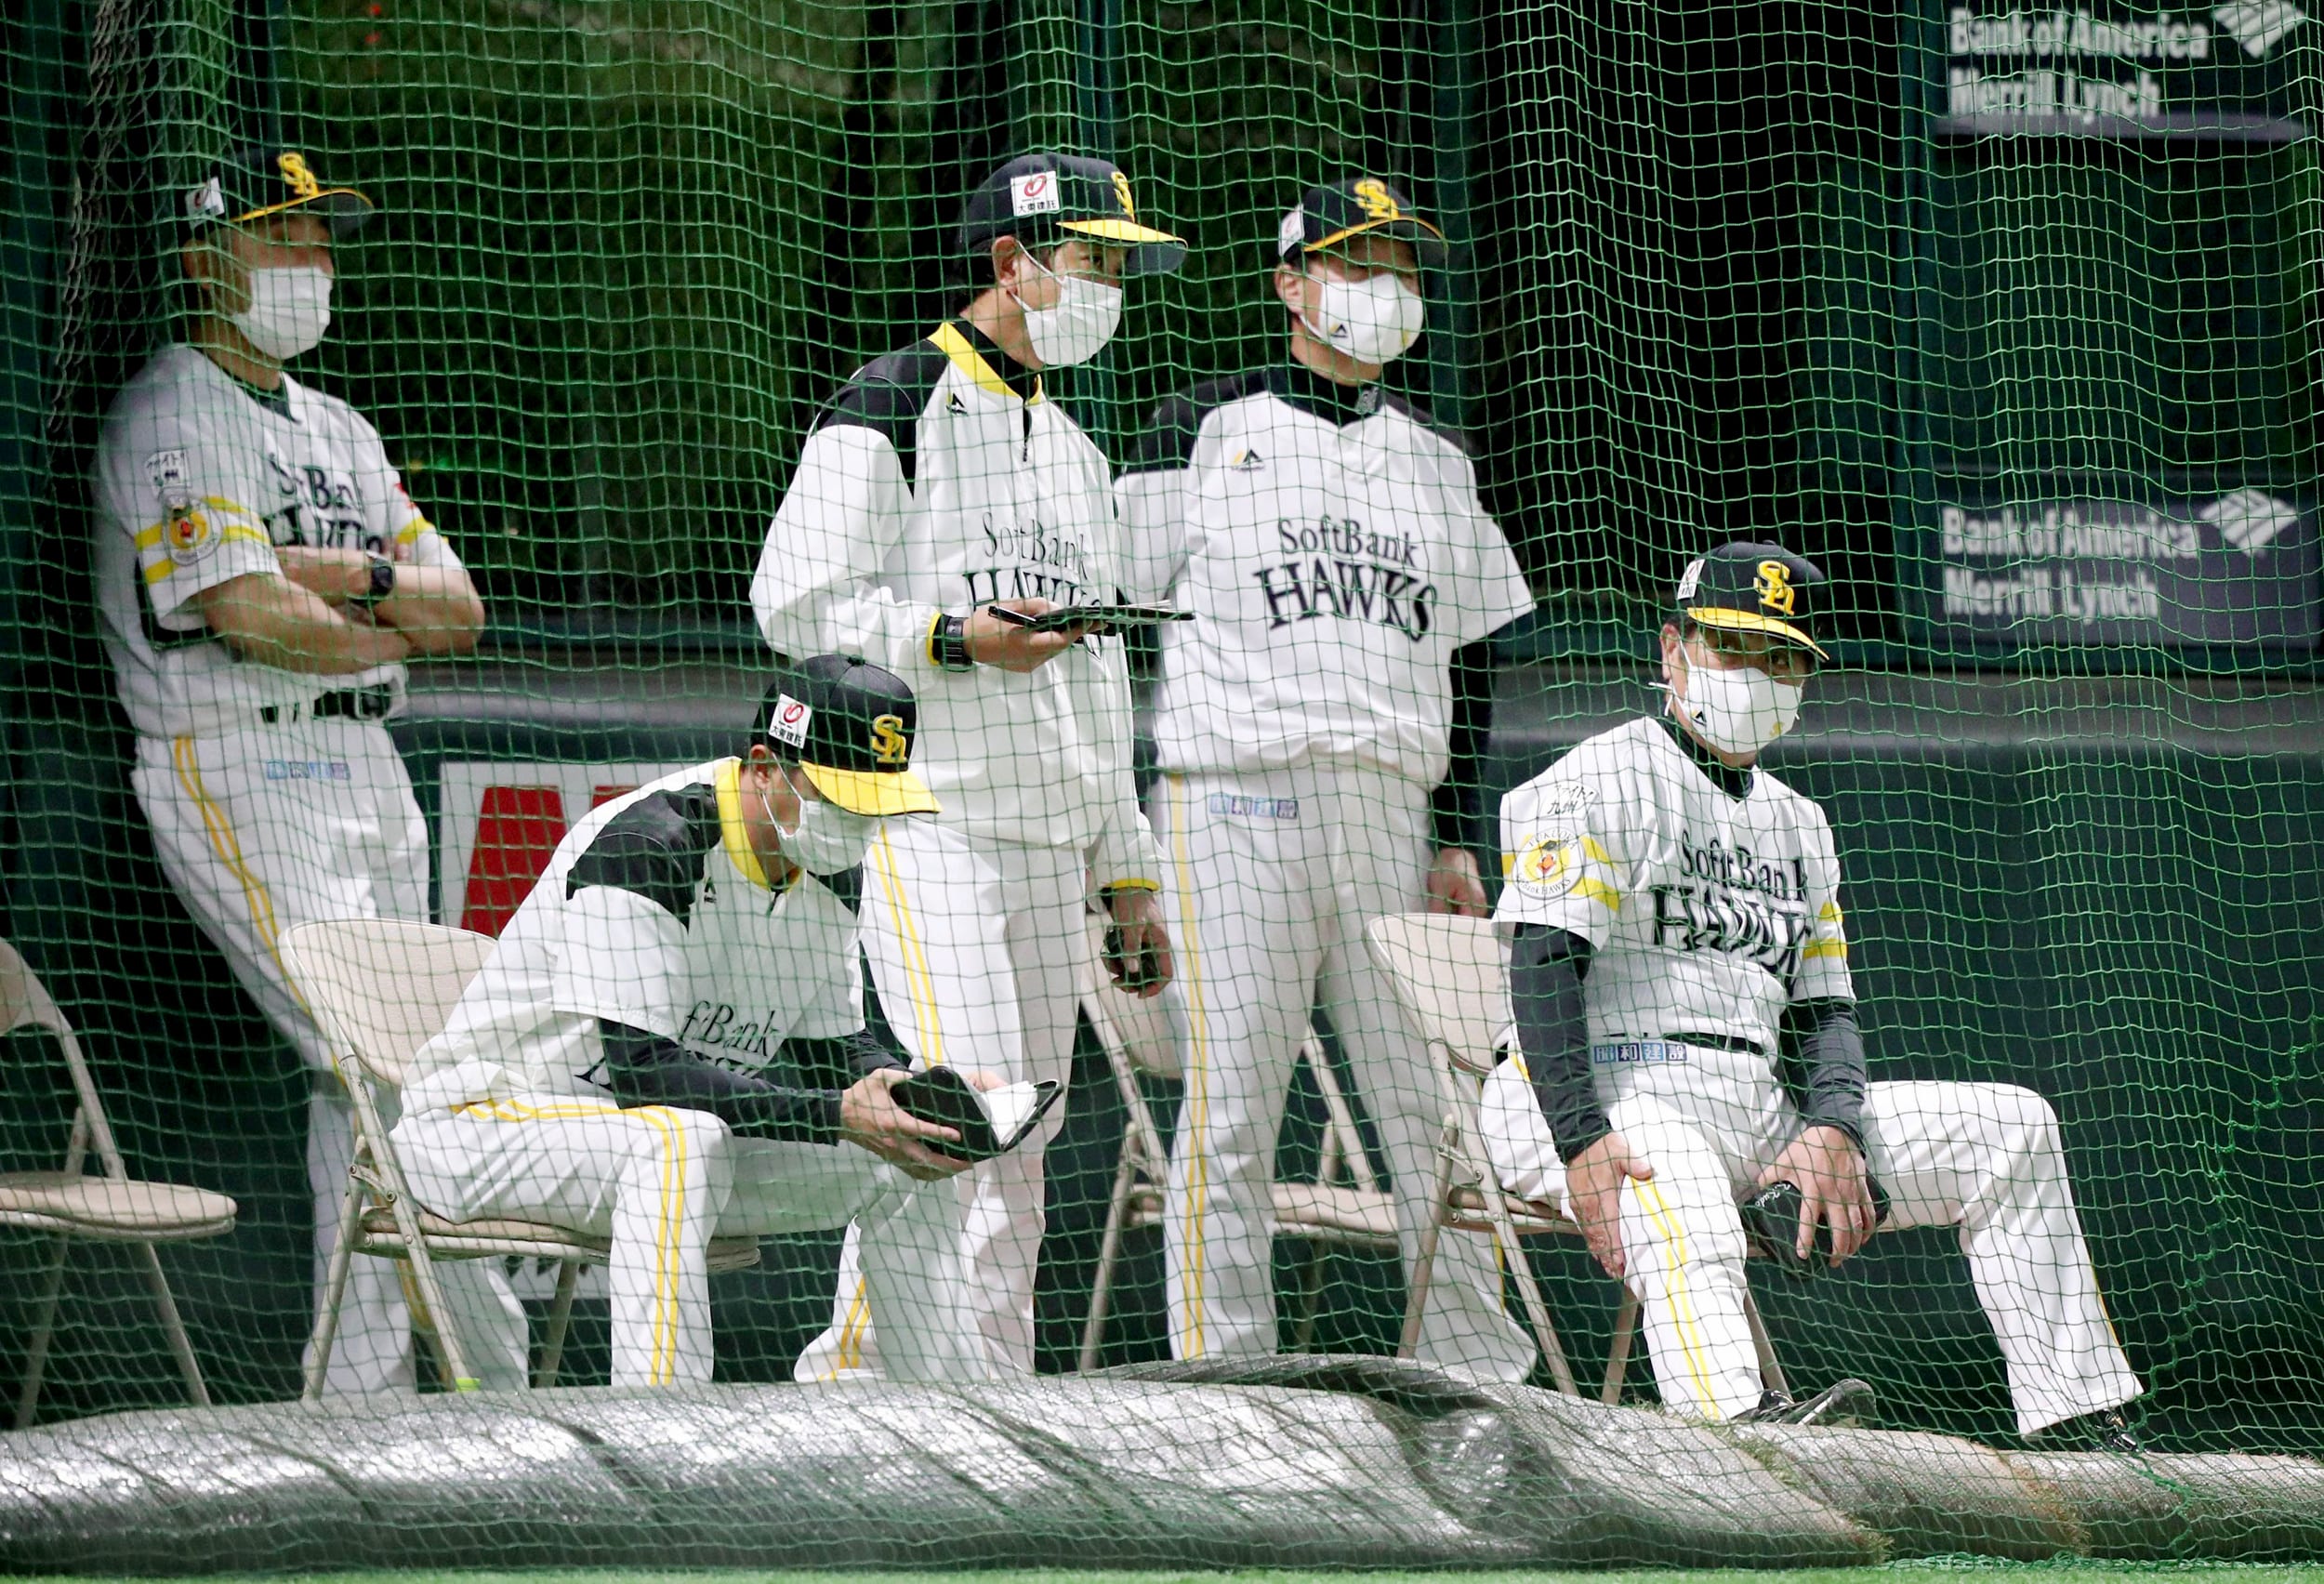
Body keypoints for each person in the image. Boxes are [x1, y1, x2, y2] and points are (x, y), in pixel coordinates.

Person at [1478, 541, 2146, 1445]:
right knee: (1671, 1177)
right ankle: (1747, 1440)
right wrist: (1583, 1142)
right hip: (1593, 1086)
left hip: (1749, 1098)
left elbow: (1824, 1011)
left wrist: (1831, 1126)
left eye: (1783, 657)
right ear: (1672, 653)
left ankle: (2076, 1427)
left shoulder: (1799, 823)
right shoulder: (1601, 778)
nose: (1761, 675)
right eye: (1736, 649)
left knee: (2010, 1128)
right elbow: (1543, 964)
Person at [90, 147, 517, 1393]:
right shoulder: (172, 410)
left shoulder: (338, 423)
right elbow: (244, 613)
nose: (312, 264)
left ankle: (376, 1408)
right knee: (371, 1058)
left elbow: (463, 608)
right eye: (284, 238)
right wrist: (377, 618)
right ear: (204, 258)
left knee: (410, 1071)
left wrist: (351, 581)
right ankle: (424, 1399)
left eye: (323, 240)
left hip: (366, 763)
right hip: (239, 759)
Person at [753, 152, 1184, 1377]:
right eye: (1091, 258)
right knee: (974, 1120)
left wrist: (1127, 868)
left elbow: (1099, 678)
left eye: (1115, 263)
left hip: (1057, 844)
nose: (1109, 283)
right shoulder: (892, 402)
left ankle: (880, 1385)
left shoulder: (1079, 454)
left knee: (1024, 1148)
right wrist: (949, 638)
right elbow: (795, 605)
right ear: (1013, 262)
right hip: (929, 825)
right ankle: (968, 1417)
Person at [1111, 177, 1539, 1378]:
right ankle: (1222, 1374)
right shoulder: (1196, 426)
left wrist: (1458, 837)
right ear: (1290, 283)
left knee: (1427, 1103)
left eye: (1401, 266)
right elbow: (1109, 621)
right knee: (1235, 1099)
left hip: (1390, 808)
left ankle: (1471, 1367)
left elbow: (1473, 658)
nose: (1383, 289)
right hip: (1227, 797)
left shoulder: (1439, 461)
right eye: (1356, 263)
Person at [392, 657, 993, 1386]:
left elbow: (836, 1046)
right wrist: (838, 1112)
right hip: (480, 1127)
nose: (858, 826)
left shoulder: (825, 861)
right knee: (681, 1137)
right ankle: (666, 1437)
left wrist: (906, 1091)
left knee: (906, 1156)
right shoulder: (650, 842)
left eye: (874, 806)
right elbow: (643, 1074)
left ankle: (959, 1414)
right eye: (839, 799)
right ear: (767, 766)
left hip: (639, 1153)